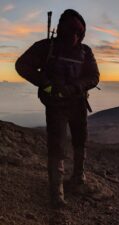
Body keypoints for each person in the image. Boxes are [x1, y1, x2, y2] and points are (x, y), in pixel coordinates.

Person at [15, 9, 100, 208]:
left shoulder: (83, 51)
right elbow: (22, 65)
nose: (74, 36)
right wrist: (48, 86)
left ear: (81, 33)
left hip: (77, 102)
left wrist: (74, 87)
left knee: (77, 141)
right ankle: (57, 194)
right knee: (58, 146)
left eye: (77, 32)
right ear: (61, 29)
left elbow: (94, 76)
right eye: (70, 31)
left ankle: (76, 182)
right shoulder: (48, 47)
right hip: (57, 106)